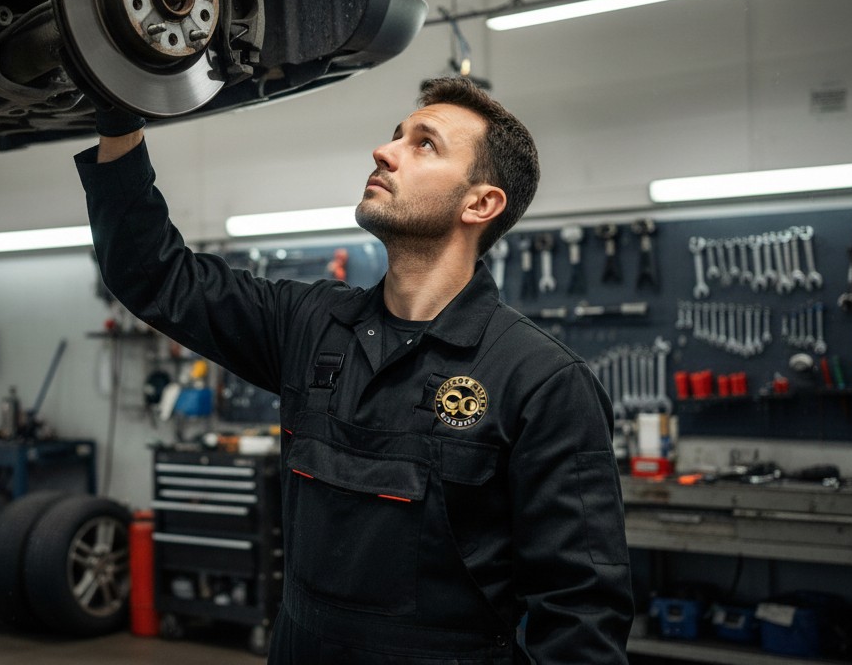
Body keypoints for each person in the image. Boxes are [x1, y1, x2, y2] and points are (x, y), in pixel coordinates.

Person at [75, 77, 633, 663]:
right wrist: (120, 120)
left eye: (424, 144)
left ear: (480, 203)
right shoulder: (309, 324)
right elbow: (153, 274)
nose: (384, 151)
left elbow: (580, 616)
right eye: (396, 135)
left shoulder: (542, 381)